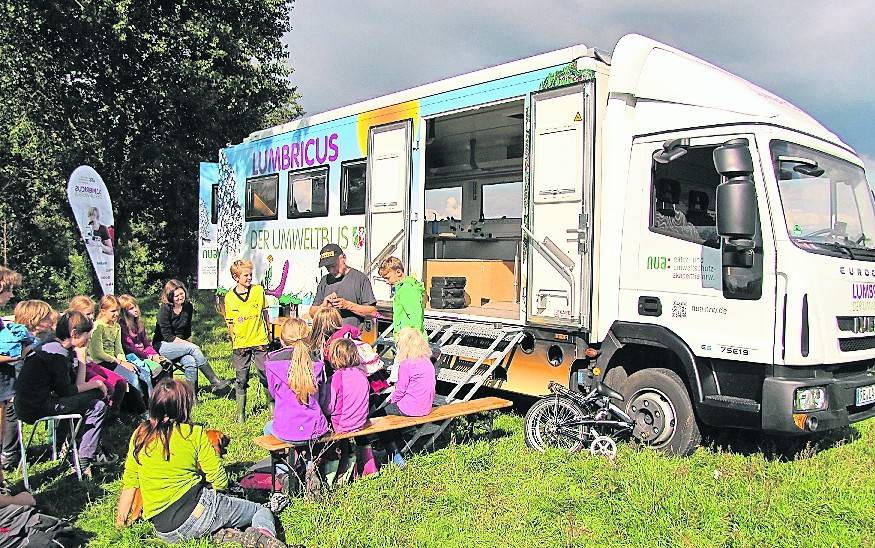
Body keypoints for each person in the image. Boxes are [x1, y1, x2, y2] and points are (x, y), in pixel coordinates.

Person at [115, 378, 285, 547]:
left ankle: (223, 534)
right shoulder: (194, 433)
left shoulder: (140, 433)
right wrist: (223, 497)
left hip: (165, 530)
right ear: (184, 407)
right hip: (199, 510)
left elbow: (130, 482)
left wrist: (120, 523)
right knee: (260, 511)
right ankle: (263, 538)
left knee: (210, 523)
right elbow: (219, 478)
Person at [14, 311, 116, 476]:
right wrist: (95, 380)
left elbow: (71, 387)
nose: (88, 342)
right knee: (98, 400)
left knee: (95, 402)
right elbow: (68, 391)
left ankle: (75, 450)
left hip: (29, 404)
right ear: (74, 334)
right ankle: (83, 458)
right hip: (35, 408)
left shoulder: (51, 344)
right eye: (87, 338)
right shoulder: (58, 355)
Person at [1, 301, 54, 472]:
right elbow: (19, 369)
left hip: (35, 389)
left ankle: (16, 449)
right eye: (46, 317)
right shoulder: (21, 341)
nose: (50, 319)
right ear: (35, 320)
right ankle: (9, 454)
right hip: (19, 392)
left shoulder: (40, 339)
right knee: (11, 408)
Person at [152, 280, 230, 394]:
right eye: (176, 295)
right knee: (194, 348)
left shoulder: (188, 306)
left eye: (181, 293)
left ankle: (191, 396)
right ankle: (214, 381)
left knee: (191, 361)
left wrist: (187, 344)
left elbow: (187, 330)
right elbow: (168, 337)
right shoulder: (164, 310)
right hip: (163, 345)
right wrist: (189, 346)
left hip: (180, 345)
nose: (180, 297)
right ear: (170, 297)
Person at [377, 327, 437, 469]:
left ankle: (395, 455)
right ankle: (399, 444)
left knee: (380, 416)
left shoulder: (406, 364)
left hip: (410, 408)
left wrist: (388, 402)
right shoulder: (427, 361)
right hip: (426, 406)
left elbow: (400, 391)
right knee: (392, 415)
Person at [264, 318, 328, 442]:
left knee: (268, 428)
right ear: (307, 338)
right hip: (315, 429)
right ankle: (308, 459)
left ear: (282, 339)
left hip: (285, 429)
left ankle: (280, 461)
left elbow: (272, 394)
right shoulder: (317, 363)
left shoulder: (272, 363)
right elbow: (322, 397)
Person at [223, 260, 271, 423]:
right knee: (241, 379)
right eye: (246, 275)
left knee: (265, 374)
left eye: (251, 274)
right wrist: (233, 339)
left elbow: (265, 314)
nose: (249, 277)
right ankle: (241, 414)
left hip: (259, 340)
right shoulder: (229, 297)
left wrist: (269, 334)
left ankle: (271, 405)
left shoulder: (258, 291)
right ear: (236, 277)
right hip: (241, 344)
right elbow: (229, 322)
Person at [67, 295, 129, 414]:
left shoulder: (91, 326)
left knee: (120, 382)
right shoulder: (72, 330)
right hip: (79, 366)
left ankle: (113, 414)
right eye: (87, 313)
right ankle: (104, 415)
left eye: (91, 313)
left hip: (90, 363)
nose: (91, 317)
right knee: (108, 387)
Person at [89, 295, 151, 407]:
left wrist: (124, 362)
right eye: (113, 311)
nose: (116, 314)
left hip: (115, 360)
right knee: (132, 378)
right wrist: (120, 362)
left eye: (118, 310)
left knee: (140, 372)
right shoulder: (98, 326)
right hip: (101, 362)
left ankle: (148, 404)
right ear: (103, 311)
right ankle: (140, 410)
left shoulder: (116, 326)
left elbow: (118, 349)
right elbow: (98, 352)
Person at [308, 243, 376, 329]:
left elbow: (372, 312)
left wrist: (347, 305)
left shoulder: (360, 279)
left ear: (343, 258)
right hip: (328, 338)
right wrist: (323, 306)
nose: (331, 270)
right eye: (327, 267)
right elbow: (312, 312)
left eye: (333, 265)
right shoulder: (325, 281)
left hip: (352, 339)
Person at [325, 338, 369, 434]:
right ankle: (365, 448)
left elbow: (329, 407)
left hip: (342, 425)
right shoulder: (362, 374)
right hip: (360, 422)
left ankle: (343, 449)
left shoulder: (337, 377)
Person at [118, 294, 166, 379]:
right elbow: (130, 348)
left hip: (145, 354)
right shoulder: (123, 327)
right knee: (157, 369)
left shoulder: (139, 323)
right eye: (131, 309)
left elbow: (146, 344)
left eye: (135, 306)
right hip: (134, 357)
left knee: (166, 364)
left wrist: (155, 355)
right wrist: (150, 357)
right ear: (124, 312)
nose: (136, 310)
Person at [378, 256, 425, 336]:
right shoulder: (402, 288)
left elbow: (415, 316)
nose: (386, 281)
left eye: (387, 278)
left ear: (398, 272)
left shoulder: (407, 289)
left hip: (410, 338)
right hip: (405, 336)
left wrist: (413, 339)